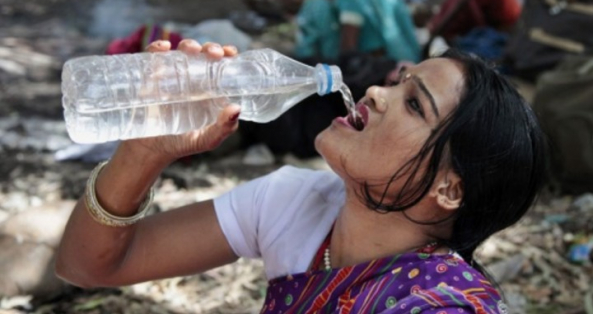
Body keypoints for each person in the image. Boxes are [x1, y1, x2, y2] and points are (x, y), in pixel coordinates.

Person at [56, 38, 547, 314]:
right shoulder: (295, 201)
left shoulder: (438, 308)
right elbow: (87, 266)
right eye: (399, 82)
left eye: (414, 104)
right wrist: (144, 151)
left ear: (449, 188)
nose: (376, 92)